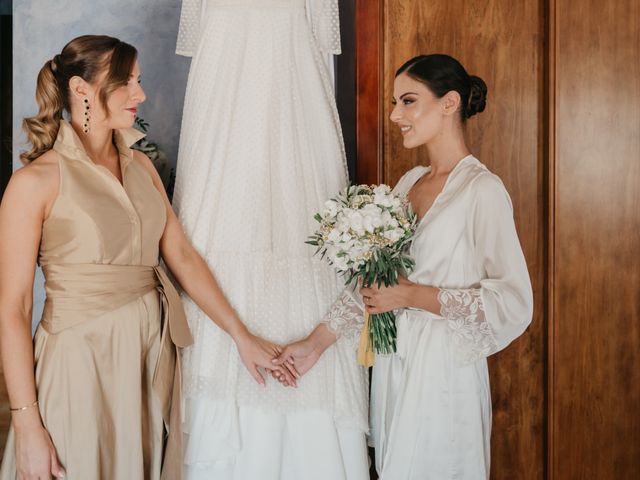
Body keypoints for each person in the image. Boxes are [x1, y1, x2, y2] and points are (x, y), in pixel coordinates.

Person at [0, 35, 293, 480]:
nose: (140, 94)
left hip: (151, 355)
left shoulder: (142, 167)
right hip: (81, 363)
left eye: (139, 81)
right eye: (126, 82)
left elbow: (183, 258)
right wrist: (25, 423)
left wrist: (241, 336)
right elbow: (13, 309)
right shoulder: (34, 183)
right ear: (81, 89)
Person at [275, 54, 534, 479]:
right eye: (396, 103)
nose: (396, 115)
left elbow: (513, 302)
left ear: (449, 103)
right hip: (395, 363)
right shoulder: (408, 183)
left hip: (445, 370)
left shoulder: (481, 190)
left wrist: (412, 295)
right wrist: (315, 345)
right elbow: (372, 284)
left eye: (409, 101)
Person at [172, 1, 370, 478]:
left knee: (302, 235)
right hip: (222, 140)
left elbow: (324, 60)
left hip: (297, 129)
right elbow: (202, 64)